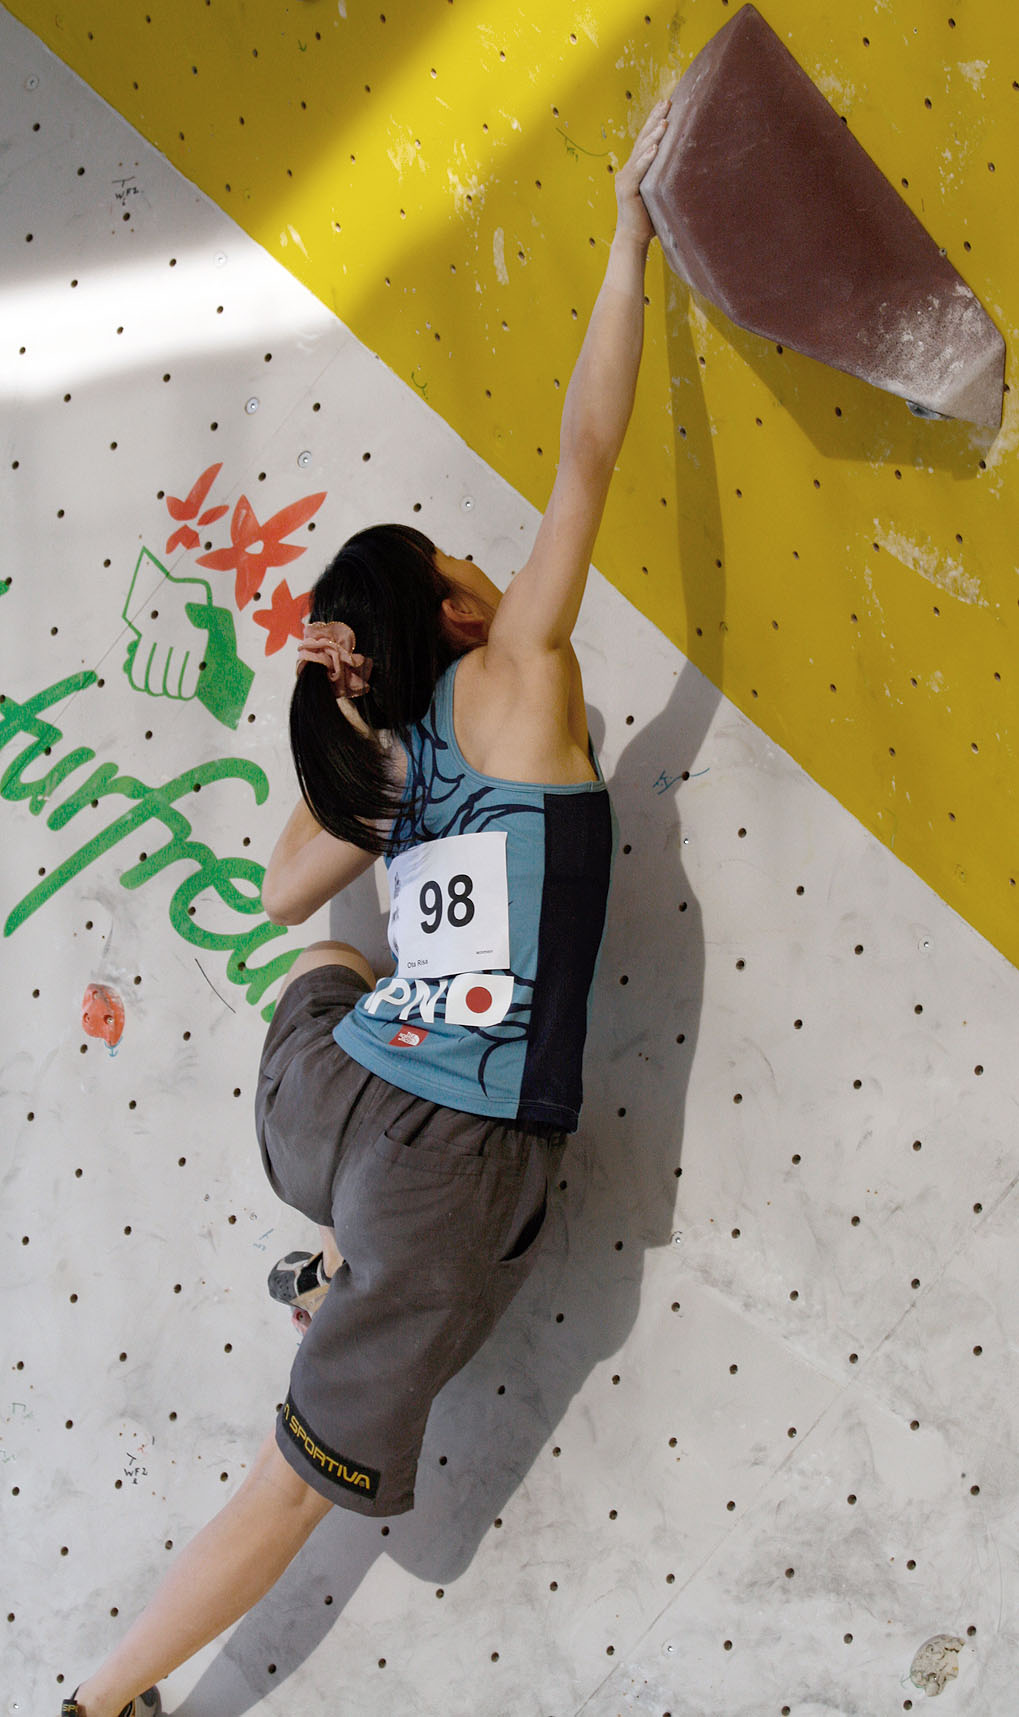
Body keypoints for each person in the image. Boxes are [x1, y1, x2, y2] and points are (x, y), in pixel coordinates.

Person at [61, 96, 671, 1717]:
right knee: (298, 1470)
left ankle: (339, 1248)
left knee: (339, 952)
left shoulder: (388, 766)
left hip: (319, 1104)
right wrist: (626, 245)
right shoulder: (523, 676)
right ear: (463, 606)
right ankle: (104, 1697)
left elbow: (281, 900)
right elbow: (586, 454)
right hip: (443, 1164)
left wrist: (348, 721)